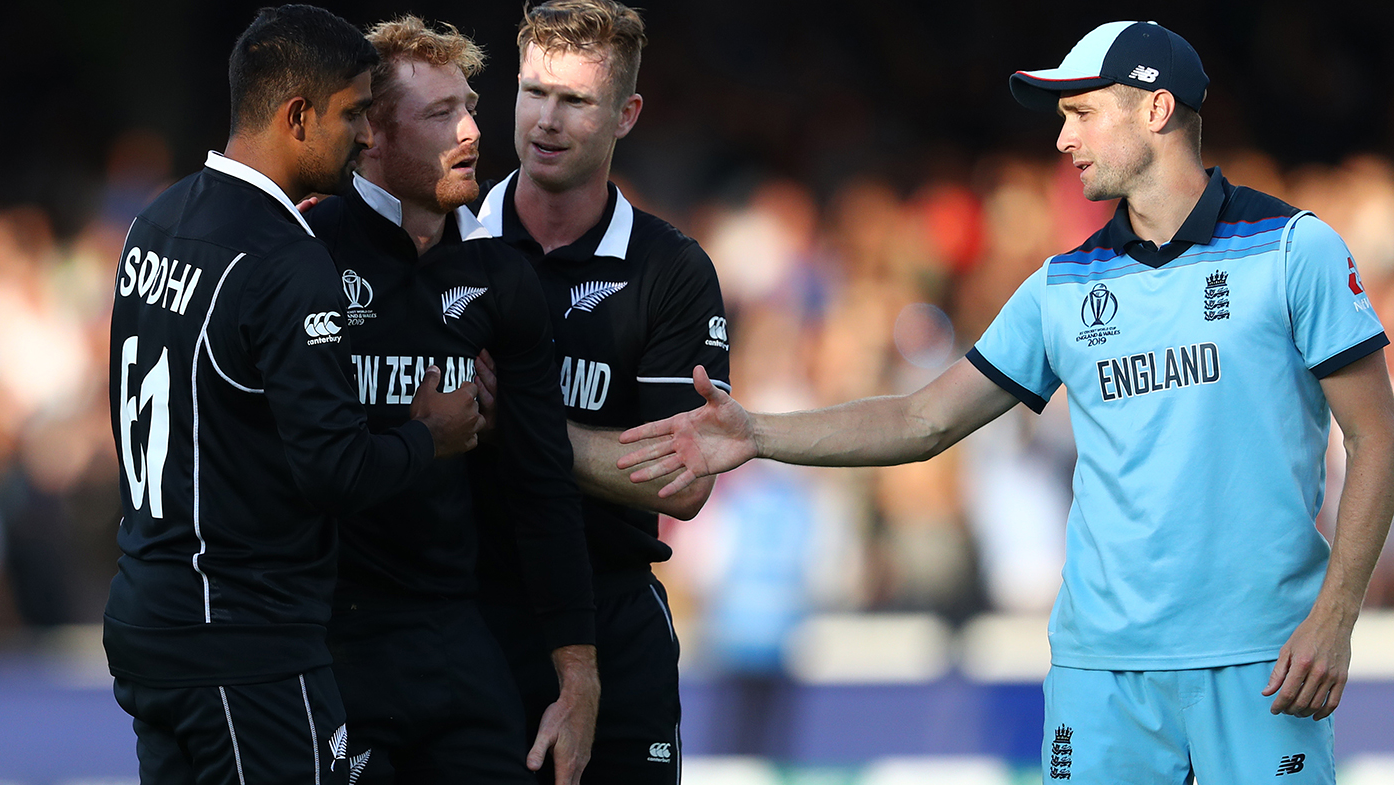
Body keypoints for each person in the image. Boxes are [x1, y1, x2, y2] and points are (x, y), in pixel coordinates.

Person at [619, 21, 1394, 784]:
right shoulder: (1061, 285)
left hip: (1263, 658)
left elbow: (1377, 439)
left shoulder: (1296, 249)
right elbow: (922, 418)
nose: (1062, 138)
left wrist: (1333, 617)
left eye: (1082, 113)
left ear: (1156, 110)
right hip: (1102, 670)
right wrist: (754, 431)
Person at [105, 6, 480, 783]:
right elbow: (335, 470)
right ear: (298, 116)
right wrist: (429, 436)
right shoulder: (286, 257)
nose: (366, 137)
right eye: (351, 115)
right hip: (244, 645)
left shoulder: (157, 220)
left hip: (149, 614)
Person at [303, 15, 599, 784]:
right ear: (369, 132)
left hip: (456, 632)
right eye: (440, 115)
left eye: (468, 106)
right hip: (330, 638)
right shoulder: (304, 254)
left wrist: (578, 670)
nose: (471, 131)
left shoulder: (502, 278)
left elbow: (543, 479)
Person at [470, 1, 730, 781]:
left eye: (576, 101)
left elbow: (683, 480)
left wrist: (512, 420)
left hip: (614, 614)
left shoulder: (670, 270)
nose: (546, 121)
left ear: (627, 114)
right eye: (534, 92)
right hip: (463, 609)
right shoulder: (449, 240)